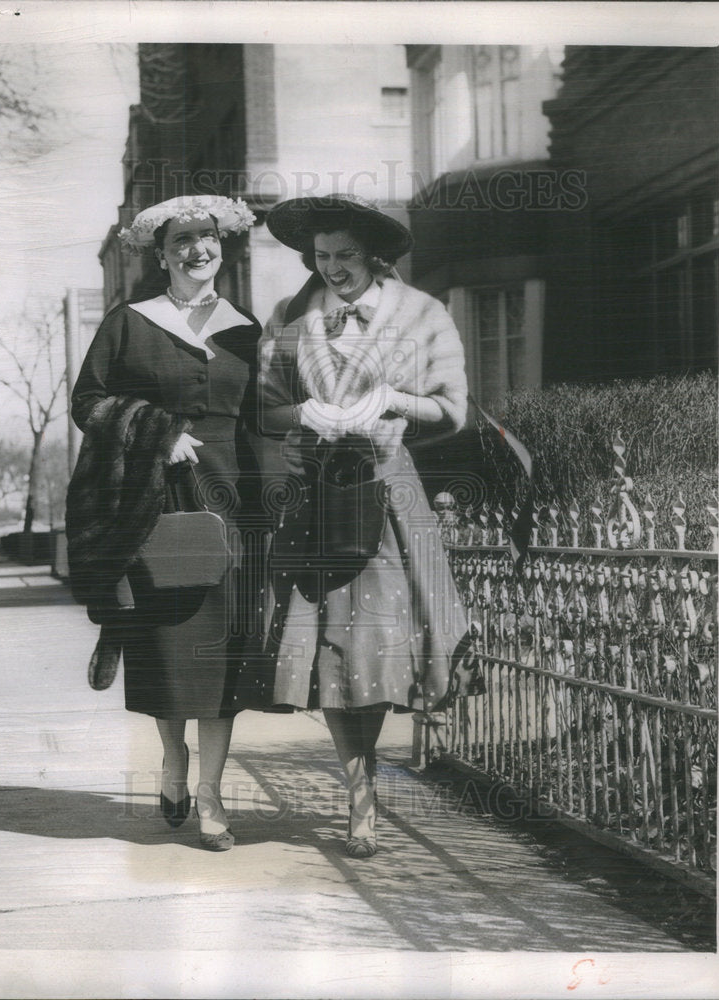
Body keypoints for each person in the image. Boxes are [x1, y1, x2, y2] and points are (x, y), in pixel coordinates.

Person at [251, 194, 469, 858]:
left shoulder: (423, 316)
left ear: (375, 255)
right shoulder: (290, 323)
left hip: (385, 497)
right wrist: (303, 418)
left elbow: (453, 409)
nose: (333, 269)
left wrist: (391, 400)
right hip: (317, 500)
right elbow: (263, 412)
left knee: (375, 652)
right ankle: (359, 799)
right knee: (332, 659)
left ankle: (363, 795)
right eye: (320, 257)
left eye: (345, 255)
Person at [67, 195, 262, 852]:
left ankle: (210, 795)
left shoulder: (245, 330)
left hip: (231, 502)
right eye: (181, 240)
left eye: (207, 238)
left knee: (222, 658)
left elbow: (266, 420)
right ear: (161, 254)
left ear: (223, 247)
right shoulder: (129, 322)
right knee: (167, 649)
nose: (196, 250)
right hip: (153, 497)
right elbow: (87, 401)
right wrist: (155, 431)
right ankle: (173, 759)